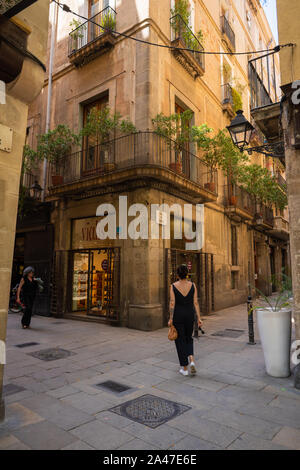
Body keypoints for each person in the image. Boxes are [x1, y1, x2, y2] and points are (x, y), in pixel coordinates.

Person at [168, 264, 203, 376]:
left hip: (178, 316)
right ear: (187, 274)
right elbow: (196, 302)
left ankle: (184, 368)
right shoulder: (192, 285)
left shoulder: (173, 286)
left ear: (177, 275)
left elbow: (172, 303)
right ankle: (191, 360)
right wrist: (199, 318)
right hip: (189, 315)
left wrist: (171, 318)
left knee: (180, 340)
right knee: (189, 338)